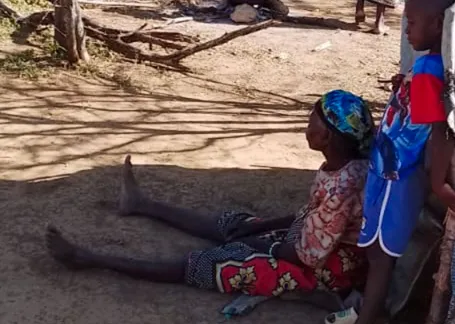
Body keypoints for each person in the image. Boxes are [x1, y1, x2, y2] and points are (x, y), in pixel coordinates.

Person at [46, 90, 376, 299]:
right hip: (316, 244)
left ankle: (88, 259)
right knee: (234, 224)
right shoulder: (346, 166)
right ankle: (141, 204)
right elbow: (310, 216)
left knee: (214, 261)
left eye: (312, 122)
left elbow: (308, 257)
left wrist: (257, 242)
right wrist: (258, 229)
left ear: (328, 138)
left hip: (325, 271)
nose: (306, 127)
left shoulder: (341, 188)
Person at [326, 0, 455, 323]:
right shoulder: (427, 65)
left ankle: (368, 317)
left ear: (438, 26)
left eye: (412, 24)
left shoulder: (432, 70)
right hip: (387, 168)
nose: (406, 30)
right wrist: (403, 89)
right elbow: (418, 114)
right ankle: (367, 310)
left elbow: (439, 129)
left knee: (382, 256)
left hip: (398, 175)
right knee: (376, 251)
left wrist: (437, 183)